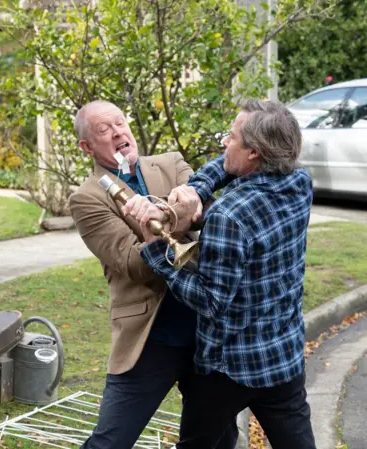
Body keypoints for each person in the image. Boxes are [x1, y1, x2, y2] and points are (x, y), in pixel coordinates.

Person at [125, 99, 317, 449]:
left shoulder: (229, 216)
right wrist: (197, 187)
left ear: (255, 153)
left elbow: (210, 300)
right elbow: (228, 166)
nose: (224, 143)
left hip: (229, 368)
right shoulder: (299, 181)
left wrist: (156, 249)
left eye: (231, 137)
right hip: (283, 358)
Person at [68, 100, 238, 449]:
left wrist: (157, 213)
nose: (117, 132)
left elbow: (203, 212)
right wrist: (174, 217)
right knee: (110, 441)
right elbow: (133, 265)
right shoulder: (87, 198)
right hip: (151, 337)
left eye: (119, 122)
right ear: (87, 146)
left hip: (206, 328)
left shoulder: (171, 162)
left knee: (218, 438)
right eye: (103, 129)